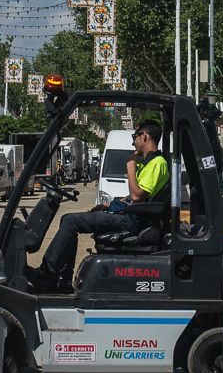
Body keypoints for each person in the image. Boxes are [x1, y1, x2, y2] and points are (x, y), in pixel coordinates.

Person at [33, 120, 170, 292]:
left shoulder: (157, 163)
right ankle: (62, 280)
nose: (133, 142)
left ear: (145, 136)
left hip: (131, 221)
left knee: (70, 222)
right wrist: (109, 205)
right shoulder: (149, 163)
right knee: (68, 220)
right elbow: (136, 197)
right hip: (129, 215)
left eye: (134, 137)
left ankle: (48, 275)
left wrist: (130, 169)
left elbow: (136, 196)